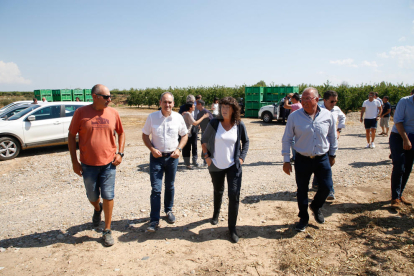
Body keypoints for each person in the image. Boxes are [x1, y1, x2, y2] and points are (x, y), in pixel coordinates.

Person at [68, 84, 125, 247]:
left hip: (109, 164)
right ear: (94, 96)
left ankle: (107, 230)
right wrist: (74, 161)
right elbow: (71, 136)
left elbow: (121, 133)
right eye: (106, 97)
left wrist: (120, 153)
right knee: (92, 196)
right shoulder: (81, 113)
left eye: (110, 96)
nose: (110, 100)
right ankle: (97, 208)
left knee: (108, 195)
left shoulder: (114, 113)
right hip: (88, 165)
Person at [282, 87, 337, 232]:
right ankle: (303, 218)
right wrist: (286, 160)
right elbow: (287, 139)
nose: (304, 101)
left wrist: (333, 155)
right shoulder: (295, 116)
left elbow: (332, 136)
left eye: (308, 98)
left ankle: (316, 206)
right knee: (302, 190)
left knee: (326, 187)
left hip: (322, 158)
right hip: (302, 159)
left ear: (317, 99)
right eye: (303, 99)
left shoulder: (327, 115)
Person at [201, 96, 249, 243]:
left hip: (233, 166)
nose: (225, 110)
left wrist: (241, 158)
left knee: (234, 195)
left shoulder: (239, 124)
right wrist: (207, 157)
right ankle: (216, 214)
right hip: (215, 164)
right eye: (223, 107)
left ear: (234, 109)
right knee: (218, 189)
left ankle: (232, 228)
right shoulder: (214, 123)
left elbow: (245, 141)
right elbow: (203, 140)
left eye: (228, 107)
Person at [142, 92, 188, 232]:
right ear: (160, 102)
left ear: (173, 104)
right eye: (165, 102)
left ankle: (168, 211)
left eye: (170, 102)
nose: (167, 105)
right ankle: (154, 219)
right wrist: (151, 149)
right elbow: (145, 135)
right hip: (156, 157)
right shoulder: (152, 117)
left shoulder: (178, 118)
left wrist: (179, 149)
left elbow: (184, 135)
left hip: (172, 158)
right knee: (156, 189)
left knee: (170, 186)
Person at [312, 90, 346, 200]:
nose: (334, 103)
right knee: (324, 166)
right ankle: (325, 187)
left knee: (326, 167)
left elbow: (342, 118)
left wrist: (339, 130)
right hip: (321, 142)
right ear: (325, 100)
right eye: (331, 101)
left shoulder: (336, 110)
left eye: (335, 101)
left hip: (331, 141)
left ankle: (328, 189)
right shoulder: (317, 110)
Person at [389, 91, 414, 209]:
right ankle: (395, 198)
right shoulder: (405, 101)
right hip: (399, 136)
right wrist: (405, 139)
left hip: (413, 137)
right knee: (399, 166)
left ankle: (400, 194)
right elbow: (398, 121)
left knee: (408, 167)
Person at [182, 102, 209, 169]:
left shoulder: (187, 113)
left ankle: (188, 163)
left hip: (188, 133)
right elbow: (195, 123)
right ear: (190, 107)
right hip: (186, 134)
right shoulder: (188, 114)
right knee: (187, 149)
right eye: (193, 105)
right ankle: (188, 164)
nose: (194, 106)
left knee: (187, 149)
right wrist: (203, 117)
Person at [284, 93, 303, 162]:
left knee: (293, 141)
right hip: (296, 125)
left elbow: (285, 106)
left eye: (292, 98)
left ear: (294, 99)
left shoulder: (296, 105)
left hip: (295, 126)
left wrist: (287, 98)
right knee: (294, 141)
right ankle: (296, 156)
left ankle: (295, 157)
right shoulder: (299, 104)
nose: (291, 100)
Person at [196, 100, 214, 165]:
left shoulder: (207, 112)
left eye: (196, 104)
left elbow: (213, 122)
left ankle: (209, 161)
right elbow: (197, 122)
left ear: (200, 104)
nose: (195, 106)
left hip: (209, 133)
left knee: (209, 146)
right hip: (203, 132)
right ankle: (205, 161)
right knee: (204, 146)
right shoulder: (199, 113)